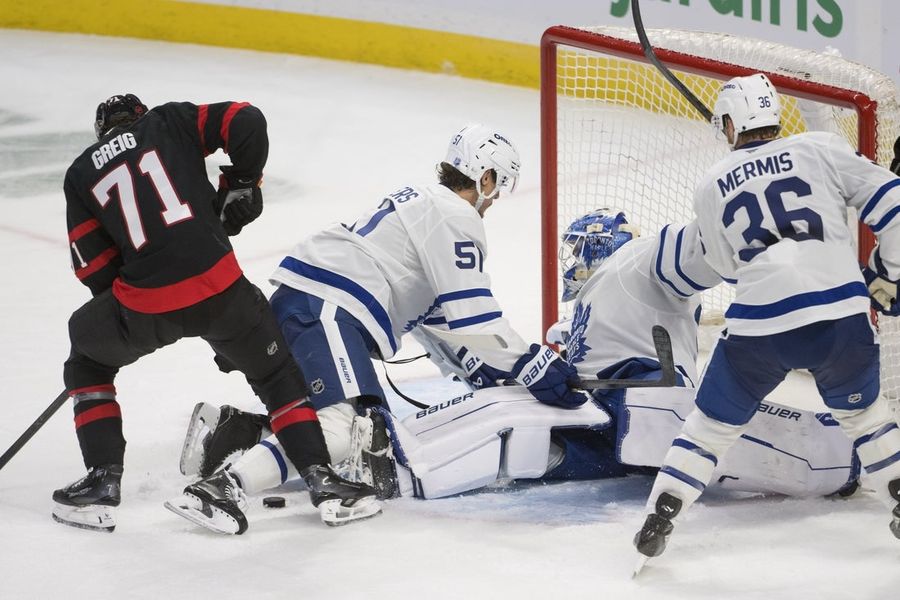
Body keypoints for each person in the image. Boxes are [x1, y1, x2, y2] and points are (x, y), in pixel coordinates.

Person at [182, 209, 857, 502]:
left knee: (813, 453)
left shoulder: (632, 262)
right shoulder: (576, 313)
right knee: (459, 428)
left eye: (581, 250)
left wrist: (775, 253)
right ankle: (265, 442)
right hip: (615, 422)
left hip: (656, 412)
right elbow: (496, 359)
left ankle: (855, 461)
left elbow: (699, 248)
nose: (573, 261)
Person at [166, 123, 589, 532]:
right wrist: (531, 364)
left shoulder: (423, 204)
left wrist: (480, 368)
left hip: (304, 303)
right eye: (498, 187)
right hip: (327, 309)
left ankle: (227, 437)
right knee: (348, 432)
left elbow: (437, 318)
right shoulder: (456, 214)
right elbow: (472, 312)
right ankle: (223, 487)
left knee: (355, 433)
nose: (494, 200)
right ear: (486, 175)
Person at [55, 94, 379, 534]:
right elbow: (246, 119)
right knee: (277, 375)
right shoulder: (168, 121)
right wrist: (243, 182)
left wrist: (130, 306)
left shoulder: (82, 172)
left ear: (101, 133)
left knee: (87, 361)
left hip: (146, 304)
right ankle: (322, 480)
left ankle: (102, 481)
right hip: (223, 292)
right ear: (139, 117)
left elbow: (94, 267)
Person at [633, 74, 900, 569]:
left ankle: (662, 512)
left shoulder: (710, 183)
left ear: (731, 123)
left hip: (759, 328)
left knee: (710, 428)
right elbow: (897, 208)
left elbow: (725, 267)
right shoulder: (821, 147)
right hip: (840, 315)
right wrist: (888, 276)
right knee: (867, 419)